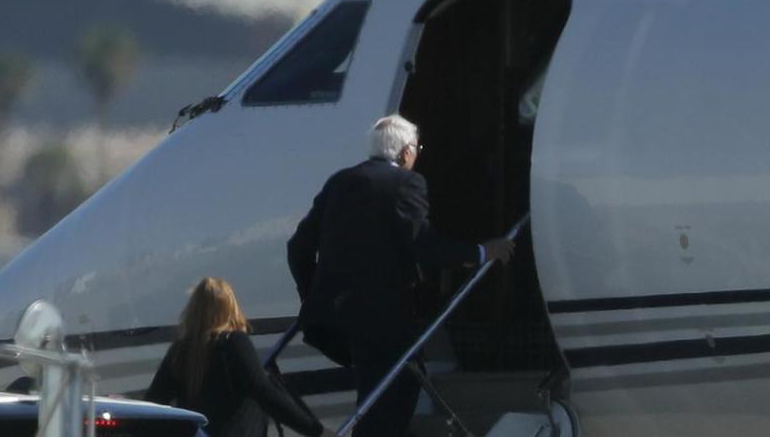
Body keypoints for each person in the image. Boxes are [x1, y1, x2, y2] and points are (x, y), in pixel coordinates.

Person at [287, 114, 515, 436]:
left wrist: (314, 295)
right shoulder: (407, 183)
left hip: (333, 319)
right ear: (406, 151)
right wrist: (479, 253)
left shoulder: (339, 182)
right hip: (381, 320)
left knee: (378, 392)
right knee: (395, 393)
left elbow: (297, 247)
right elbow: (423, 244)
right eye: (417, 148)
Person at [145, 277, 326, 437]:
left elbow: (155, 401)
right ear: (230, 308)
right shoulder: (233, 342)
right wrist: (315, 430)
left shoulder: (180, 350)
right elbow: (264, 392)